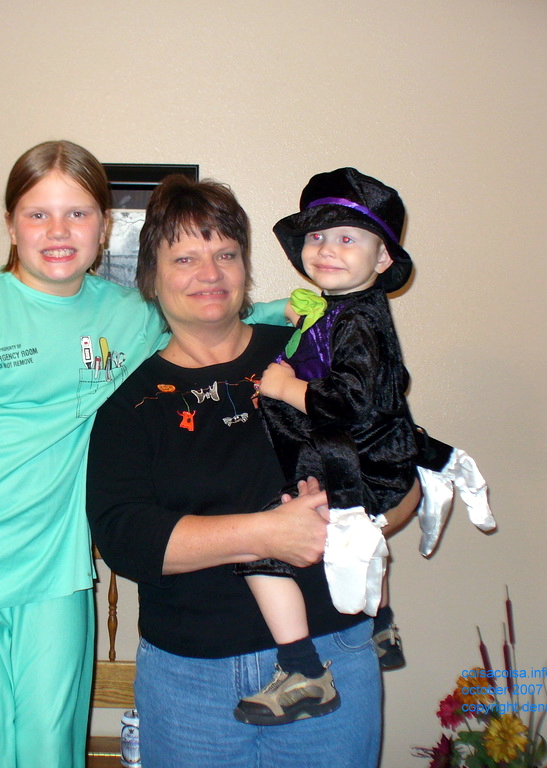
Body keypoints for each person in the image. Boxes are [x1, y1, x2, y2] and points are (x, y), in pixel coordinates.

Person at [0, 141, 288, 768]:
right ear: (9, 224)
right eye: (38, 214)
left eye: (78, 214)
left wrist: (305, 309)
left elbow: (213, 315)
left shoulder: (127, 314)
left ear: (104, 226)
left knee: (50, 748)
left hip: (58, 576)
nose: (59, 232)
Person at [86, 174, 421, 768]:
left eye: (226, 254)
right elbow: (126, 541)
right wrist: (266, 534)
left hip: (333, 654)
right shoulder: (130, 406)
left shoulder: (309, 350)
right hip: (191, 682)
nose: (209, 273)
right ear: (152, 277)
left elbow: (397, 466)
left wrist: (363, 517)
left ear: (246, 268)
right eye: (185, 257)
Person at [234, 166, 420, 724]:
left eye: (346, 238)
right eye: (316, 236)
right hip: (367, 458)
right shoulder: (343, 310)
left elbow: (351, 402)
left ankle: (303, 670)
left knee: (261, 547)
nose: (326, 249)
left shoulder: (357, 320)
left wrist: (285, 387)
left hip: (358, 467)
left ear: (382, 259)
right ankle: (380, 621)